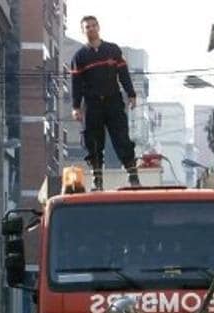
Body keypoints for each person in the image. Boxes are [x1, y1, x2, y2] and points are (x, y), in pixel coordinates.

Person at [70, 15, 140, 190]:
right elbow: (76, 84)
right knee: (93, 141)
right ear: (83, 31)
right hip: (92, 104)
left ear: (99, 27)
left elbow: (123, 74)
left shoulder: (113, 50)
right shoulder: (80, 56)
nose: (91, 29)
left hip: (113, 101)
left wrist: (131, 94)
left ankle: (133, 175)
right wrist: (76, 107)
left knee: (121, 137)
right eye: (87, 27)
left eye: (94, 26)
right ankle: (97, 178)